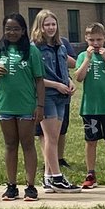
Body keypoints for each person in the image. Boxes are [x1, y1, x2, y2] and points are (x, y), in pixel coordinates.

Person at [0, 12, 44, 201]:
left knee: (27, 144)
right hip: (5, 105)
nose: (12, 32)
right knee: (10, 145)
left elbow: (39, 80)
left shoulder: (31, 51)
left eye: (16, 29)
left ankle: (30, 186)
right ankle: (11, 186)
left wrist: (40, 106)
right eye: (8, 29)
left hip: (26, 105)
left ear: (23, 31)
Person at [30, 10, 79, 192]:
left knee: (55, 138)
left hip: (61, 96)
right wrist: (56, 85)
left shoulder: (61, 46)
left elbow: (64, 69)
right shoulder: (34, 48)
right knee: (49, 138)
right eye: (46, 25)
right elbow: (34, 78)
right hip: (46, 96)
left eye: (53, 24)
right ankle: (57, 178)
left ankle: (48, 178)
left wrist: (68, 82)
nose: (50, 28)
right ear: (39, 26)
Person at [74, 22, 105, 188]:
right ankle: (90, 173)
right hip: (90, 108)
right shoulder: (83, 56)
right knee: (91, 140)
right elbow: (79, 77)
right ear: (86, 39)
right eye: (92, 40)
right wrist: (87, 59)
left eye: (99, 40)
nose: (96, 44)